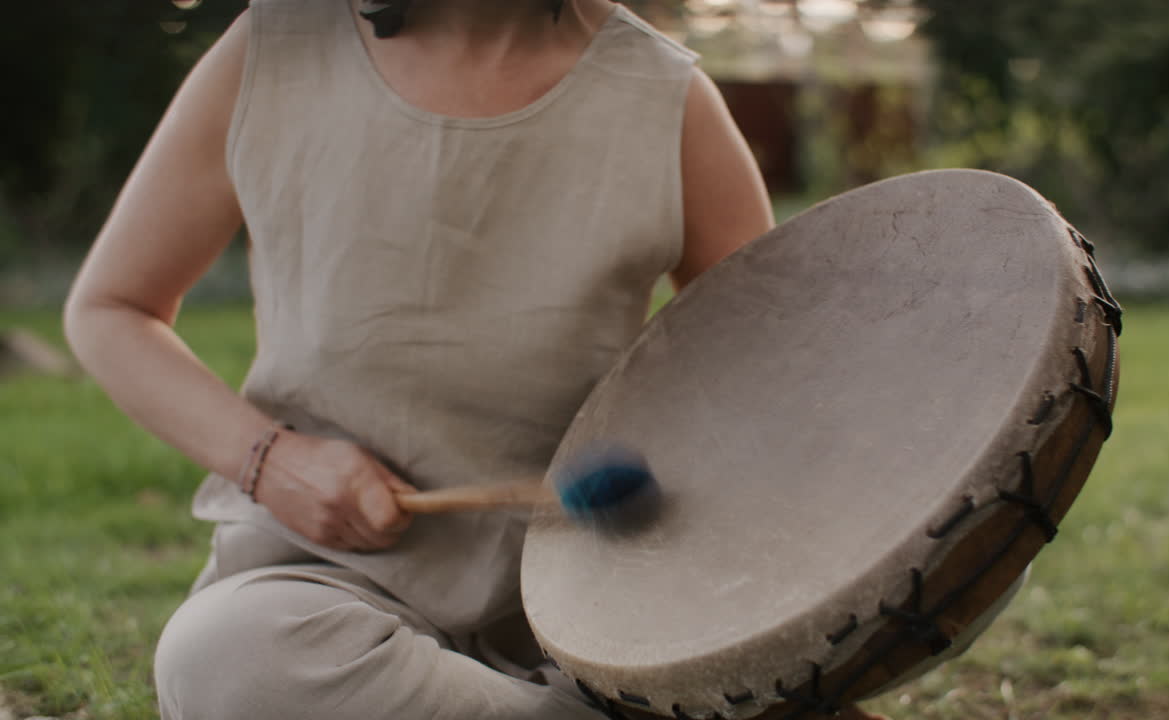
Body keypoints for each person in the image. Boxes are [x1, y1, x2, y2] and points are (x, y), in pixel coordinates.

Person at [63, 0, 851, 718]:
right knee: (227, 661)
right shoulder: (272, 48)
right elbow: (111, 309)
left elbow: (770, 376)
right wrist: (271, 461)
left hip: (598, 613)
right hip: (322, 587)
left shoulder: (667, 98)